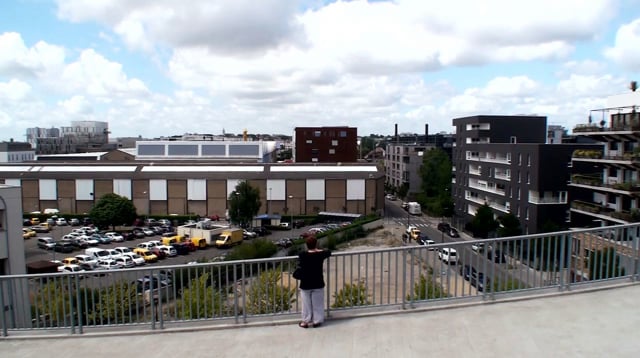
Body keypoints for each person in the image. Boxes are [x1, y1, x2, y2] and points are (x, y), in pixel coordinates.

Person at [297, 235, 331, 328]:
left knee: (306, 304)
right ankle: (317, 321)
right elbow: (328, 251)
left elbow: (301, 256)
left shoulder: (302, 255)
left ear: (306, 245)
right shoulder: (320, 254)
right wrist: (319, 249)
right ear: (316, 244)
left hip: (305, 283)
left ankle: (305, 321)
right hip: (318, 282)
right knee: (318, 304)